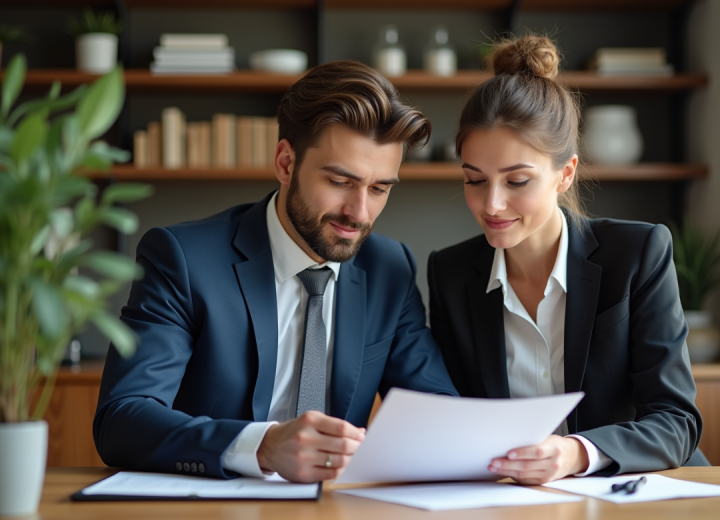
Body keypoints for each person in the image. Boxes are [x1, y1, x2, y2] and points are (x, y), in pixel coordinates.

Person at [94, 60, 457, 483]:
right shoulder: (182, 259)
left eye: (379, 189)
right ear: (286, 163)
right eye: (340, 182)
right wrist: (262, 446)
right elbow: (121, 419)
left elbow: (438, 413)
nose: (359, 213)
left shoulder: (389, 269)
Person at [427, 35, 705, 485]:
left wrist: (578, 453)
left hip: (638, 493)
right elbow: (456, 419)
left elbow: (677, 421)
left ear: (566, 174)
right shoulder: (450, 274)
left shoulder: (637, 253)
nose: (491, 204)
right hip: (514, 501)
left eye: (517, 180)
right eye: (474, 180)